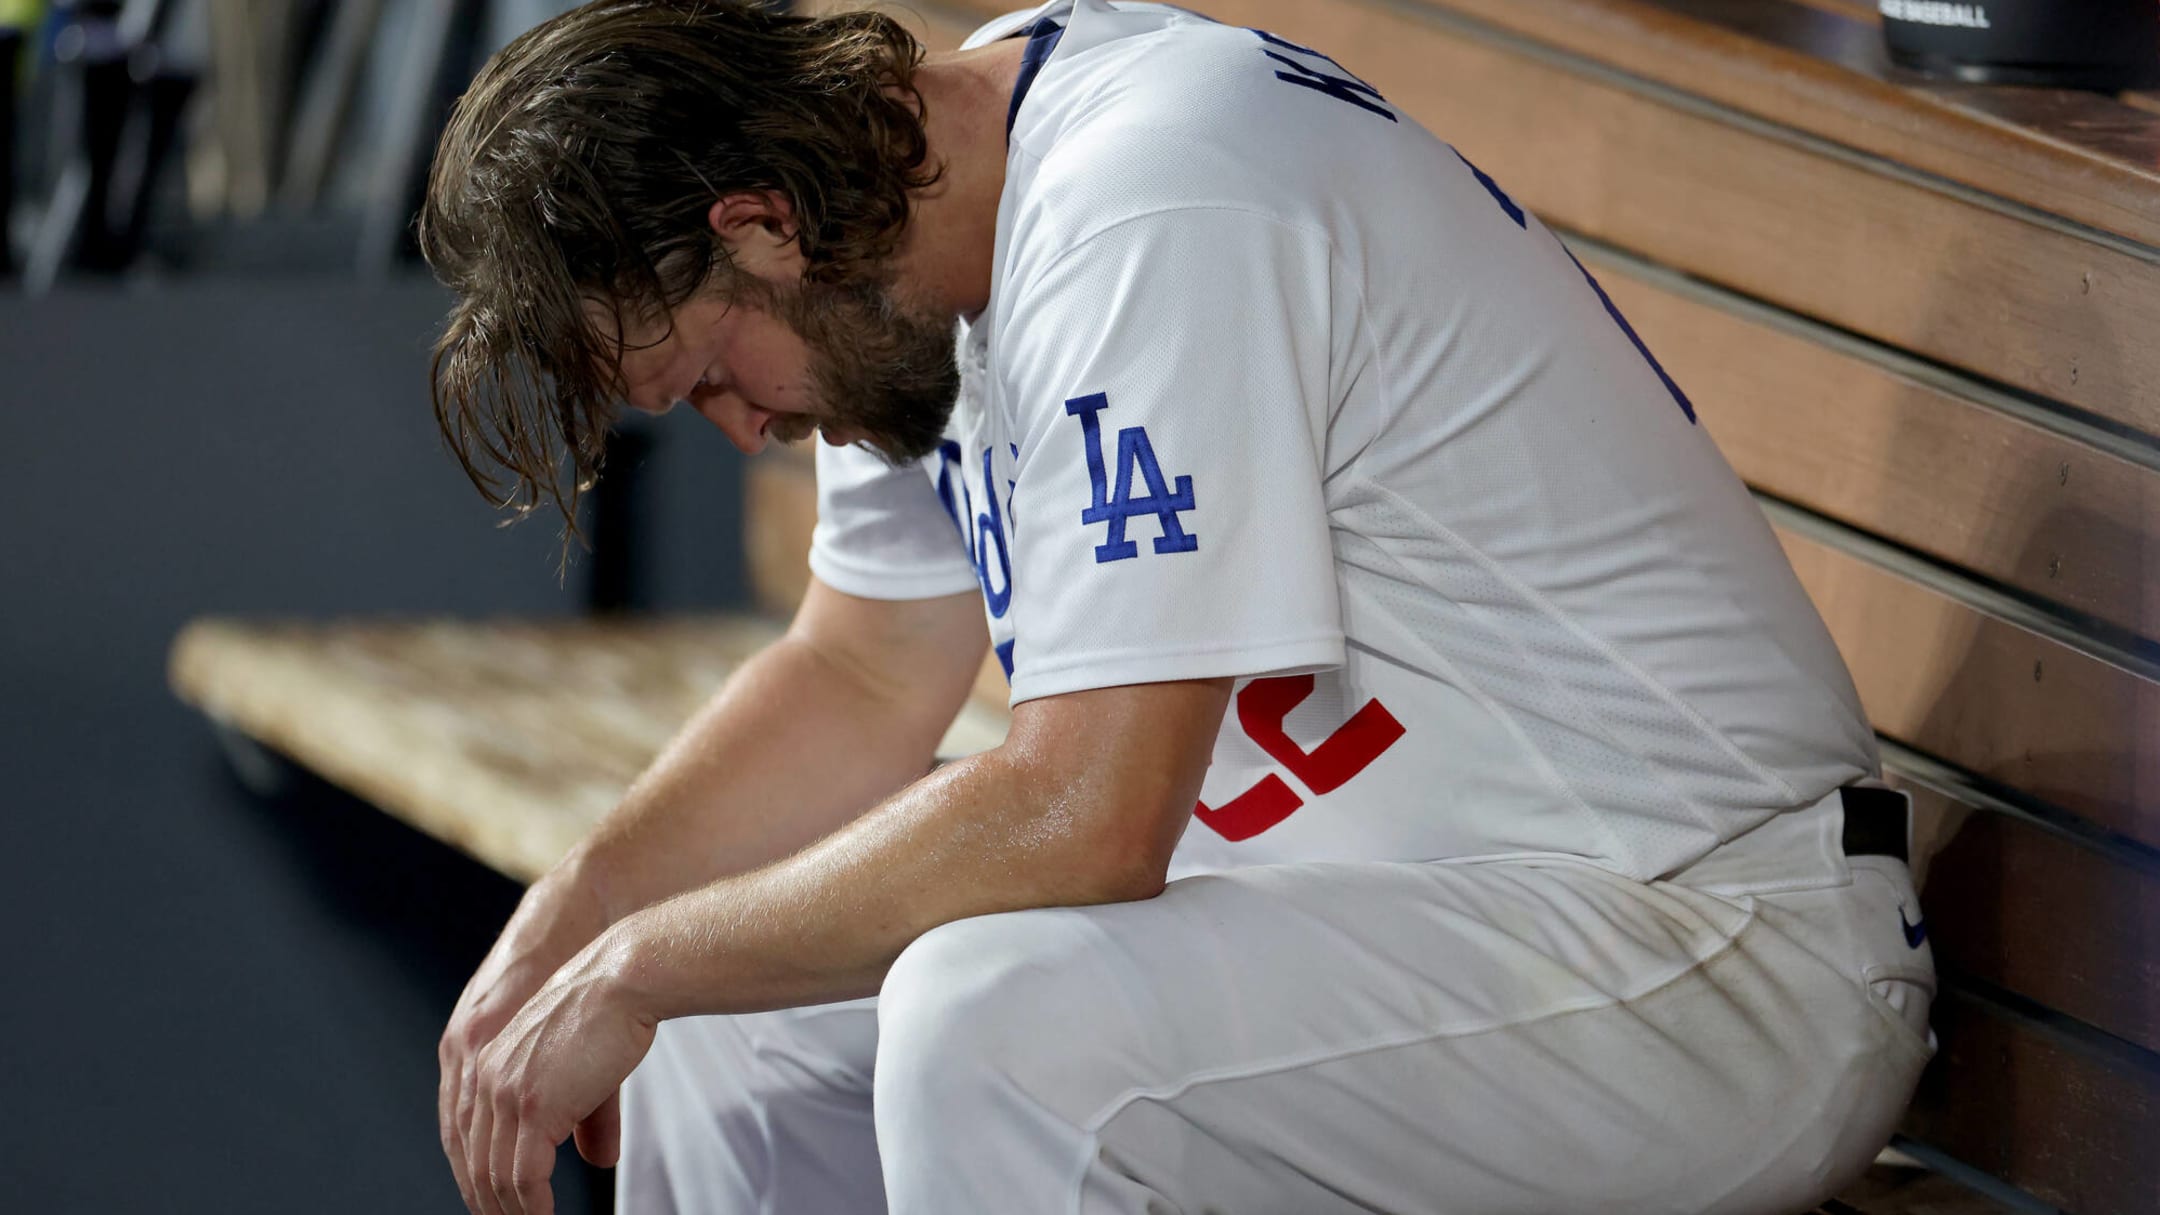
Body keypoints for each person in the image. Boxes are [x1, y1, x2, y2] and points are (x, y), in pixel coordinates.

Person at [418, 2, 1937, 1213]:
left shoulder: (1144, 197)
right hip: (1410, 929)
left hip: (1701, 947)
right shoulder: (898, 246)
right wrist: (586, 920)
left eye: (706, 379)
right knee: (727, 1013)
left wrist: (641, 964)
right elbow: (866, 669)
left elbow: (1091, 816)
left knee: (991, 1024)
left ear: (761, 225)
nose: (746, 432)